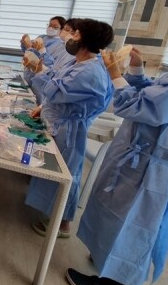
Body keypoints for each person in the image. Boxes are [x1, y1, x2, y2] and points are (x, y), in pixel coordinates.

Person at [66, 41, 168, 285]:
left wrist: (116, 75)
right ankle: (108, 262)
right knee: (116, 215)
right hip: (140, 160)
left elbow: (139, 107)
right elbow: (152, 95)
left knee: (135, 225)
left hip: (152, 169)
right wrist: (137, 71)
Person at [24, 18, 114, 237]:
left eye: (75, 34)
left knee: (67, 174)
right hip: (59, 123)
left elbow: (56, 91)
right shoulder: (78, 63)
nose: (70, 37)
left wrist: (39, 71)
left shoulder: (90, 72)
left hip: (70, 129)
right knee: (56, 170)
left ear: (85, 40)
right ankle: (53, 214)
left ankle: (62, 223)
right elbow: (57, 82)